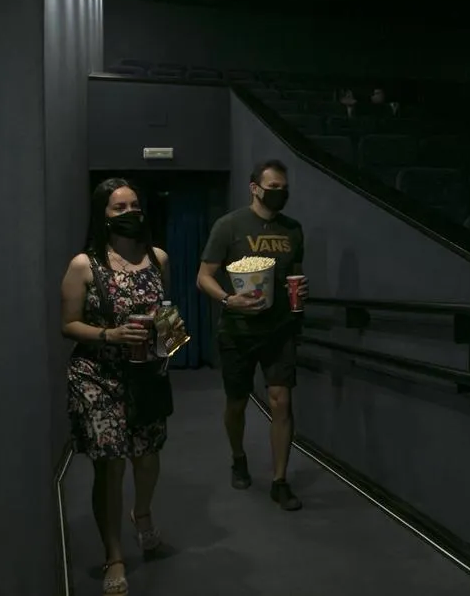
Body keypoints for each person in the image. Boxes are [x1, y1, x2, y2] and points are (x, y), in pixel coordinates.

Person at [61, 178, 180, 596]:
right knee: (109, 465)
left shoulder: (157, 258)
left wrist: (172, 339)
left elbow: (165, 312)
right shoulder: (84, 265)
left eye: (134, 205)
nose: (129, 212)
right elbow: (68, 324)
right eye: (118, 208)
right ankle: (114, 554)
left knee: (146, 458)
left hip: (146, 374)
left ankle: (142, 515)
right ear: (103, 216)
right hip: (97, 376)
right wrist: (110, 335)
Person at [196, 159, 309, 511]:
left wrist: (299, 290)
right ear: (254, 187)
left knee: (281, 401)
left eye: (283, 188)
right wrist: (229, 298)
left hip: (279, 329)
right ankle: (238, 456)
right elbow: (204, 277)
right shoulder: (229, 226)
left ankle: (279, 480)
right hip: (238, 329)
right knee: (237, 403)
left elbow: (294, 274)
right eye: (272, 187)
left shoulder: (293, 230)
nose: (279, 193)